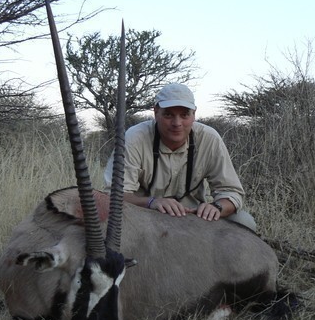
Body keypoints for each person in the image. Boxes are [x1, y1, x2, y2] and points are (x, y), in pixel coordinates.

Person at [104, 83, 256, 230]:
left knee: (244, 221)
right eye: (169, 114)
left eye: (184, 115)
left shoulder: (209, 138)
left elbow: (232, 192)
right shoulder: (134, 138)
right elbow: (115, 196)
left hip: (193, 215)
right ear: (156, 112)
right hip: (145, 214)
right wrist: (152, 202)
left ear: (194, 114)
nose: (177, 123)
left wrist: (216, 207)